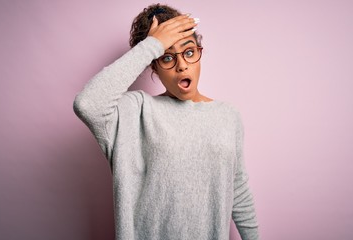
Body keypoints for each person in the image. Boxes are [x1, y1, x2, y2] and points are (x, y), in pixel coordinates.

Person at [73, 3, 259, 240]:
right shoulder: (135, 112)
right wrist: (152, 45)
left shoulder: (228, 116)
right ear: (154, 65)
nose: (182, 65)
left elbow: (238, 189)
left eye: (189, 52)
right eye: (167, 57)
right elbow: (88, 104)